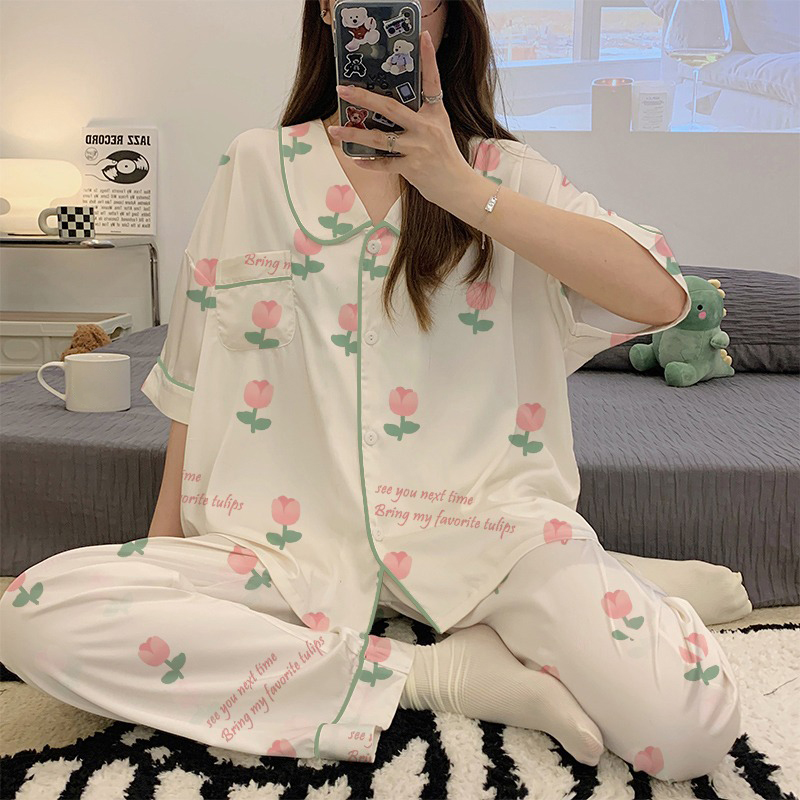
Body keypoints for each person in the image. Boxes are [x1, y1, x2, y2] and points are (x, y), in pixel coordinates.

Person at [0, 0, 751, 781]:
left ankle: (613, 585)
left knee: (687, 730)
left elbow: (662, 298)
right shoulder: (255, 167)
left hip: (491, 536)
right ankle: (438, 674)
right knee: (33, 616)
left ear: (448, 18)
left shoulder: (503, 175)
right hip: (283, 550)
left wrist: (460, 188)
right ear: (330, 9)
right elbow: (192, 380)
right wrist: (165, 565)